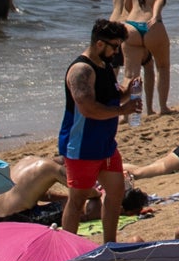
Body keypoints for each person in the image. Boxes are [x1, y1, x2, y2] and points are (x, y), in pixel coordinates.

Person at [56, 19, 140, 241]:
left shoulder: (105, 66)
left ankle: (109, 244)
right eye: (115, 46)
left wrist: (128, 91)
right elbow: (88, 109)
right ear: (100, 44)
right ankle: (69, 250)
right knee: (77, 200)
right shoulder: (81, 70)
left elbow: (112, 96)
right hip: (82, 146)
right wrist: (123, 110)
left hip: (105, 145)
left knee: (116, 193)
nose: (117, 52)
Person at [111, 0, 173, 116]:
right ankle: (163, 107)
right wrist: (156, 13)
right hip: (152, 25)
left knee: (131, 75)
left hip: (131, 26)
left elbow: (127, 5)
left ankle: (127, 114)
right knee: (163, 67)